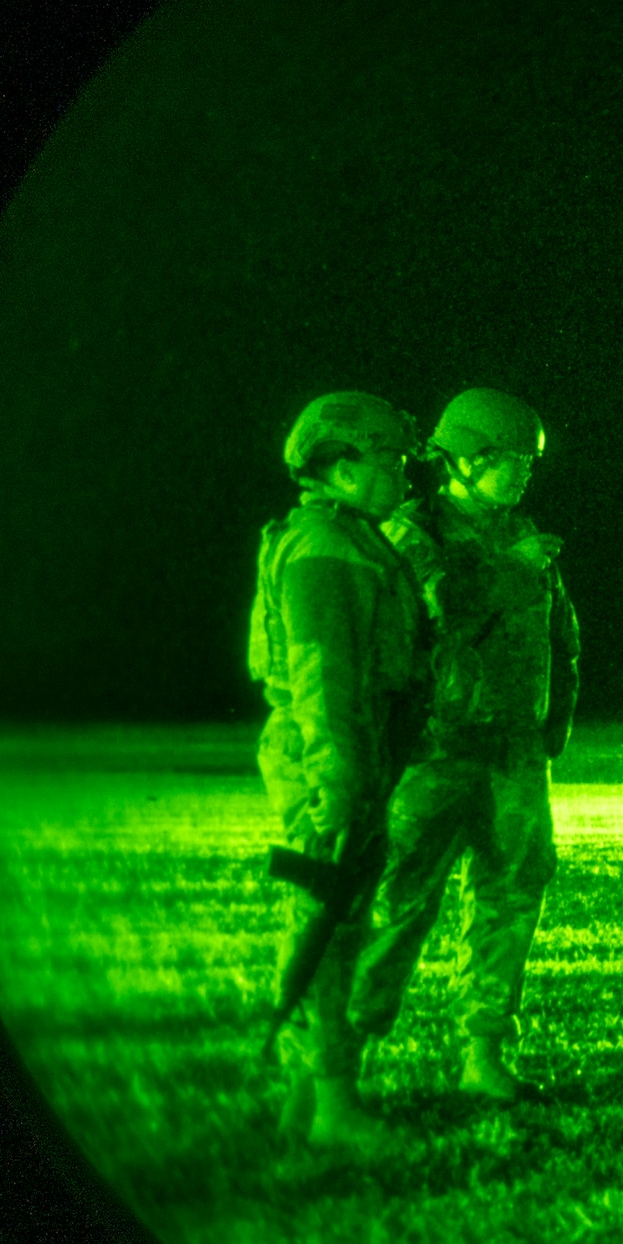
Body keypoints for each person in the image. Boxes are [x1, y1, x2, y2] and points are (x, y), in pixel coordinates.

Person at [357, 387, 580, 1104]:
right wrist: (510, 569)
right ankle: (341, 1056)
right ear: (463, 460)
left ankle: (484, 1054)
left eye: (526, 462)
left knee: (512, 899)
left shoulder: (521, 533)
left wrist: (556, 719)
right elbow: (425, 623)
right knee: (399, 904)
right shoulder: (410, 534)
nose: (521, 474)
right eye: (507, 460)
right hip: (434, 753)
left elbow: (560, 635)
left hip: (515, 754)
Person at [251, 392, 428, 1151]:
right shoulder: (327, 548)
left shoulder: (349, 538)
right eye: (388, 460)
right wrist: (342, 783)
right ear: (342, 466)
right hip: (334, 760)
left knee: (335, 924)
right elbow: (322, 676)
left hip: (353, 754)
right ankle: (333, 1104)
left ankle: (307, 1095)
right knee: (330, 923)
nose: (402, 475)